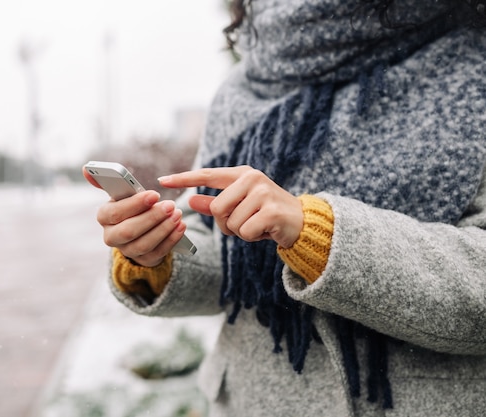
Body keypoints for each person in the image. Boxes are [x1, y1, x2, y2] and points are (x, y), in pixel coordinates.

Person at [83, 0, 486, 415]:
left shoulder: (473, 61)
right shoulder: (243, 85)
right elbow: (229, 264)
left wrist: (317, 233)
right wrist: (156, 255)